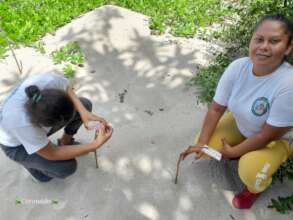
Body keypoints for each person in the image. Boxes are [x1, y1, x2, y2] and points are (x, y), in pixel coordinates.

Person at [181, 14, 293, 209]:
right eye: (259, 39)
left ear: (288, 48)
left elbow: (267, 135)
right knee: (207, 148)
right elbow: (216, 108)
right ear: (251, 41)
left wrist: (234, 151)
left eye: (274, 41)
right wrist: (201, 143)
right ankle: (236, 151)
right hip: (243, 123)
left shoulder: (288, 84)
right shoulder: (238, 67)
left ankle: (254, 188)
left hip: (276, 138)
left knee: (250, 170)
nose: (264, 46)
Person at [0, 72, 113, 182]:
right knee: (64, 168)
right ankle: (34, 169)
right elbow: (53, 153)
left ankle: (65, 142)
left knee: (85, 104)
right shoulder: (22, 124)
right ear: (42, 124)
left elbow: (67, 88)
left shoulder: (48, 81)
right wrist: (94, 145)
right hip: (15, 145)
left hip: (31, 126)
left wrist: (84, 112)